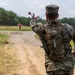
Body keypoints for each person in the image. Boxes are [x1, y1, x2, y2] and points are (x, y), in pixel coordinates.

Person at [30, 4, 75, 75]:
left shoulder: (41, 29)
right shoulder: (68, 28)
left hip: (52, 67)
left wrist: (33, 19)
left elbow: (33, 25)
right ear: (57, 15)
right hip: (67, 66)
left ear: (46, 15)